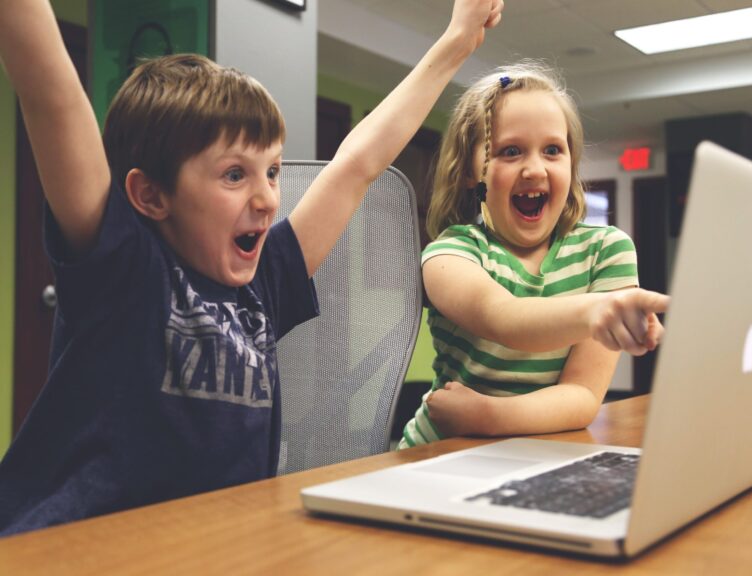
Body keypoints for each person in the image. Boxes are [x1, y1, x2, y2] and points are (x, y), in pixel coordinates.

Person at [0, 0, 504, 535]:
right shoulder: (121, 265)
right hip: (71, 548)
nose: (268, 199)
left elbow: (358, 165)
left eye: (272, 171)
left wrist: (458, 39)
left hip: (212, 546)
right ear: (149, 194)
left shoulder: (265, 281)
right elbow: (51, 94)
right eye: (235, 175)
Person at [398, 61, 669, 449]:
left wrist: (487, 417)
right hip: (440, 452)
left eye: (553, 150)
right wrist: (599, 310)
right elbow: (505, 318)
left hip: (533, 452)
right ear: (470, 171)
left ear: (571, 163)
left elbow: (582, 396)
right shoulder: (450, 254)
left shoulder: (607, 251)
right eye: (511, 151)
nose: (534, 169)